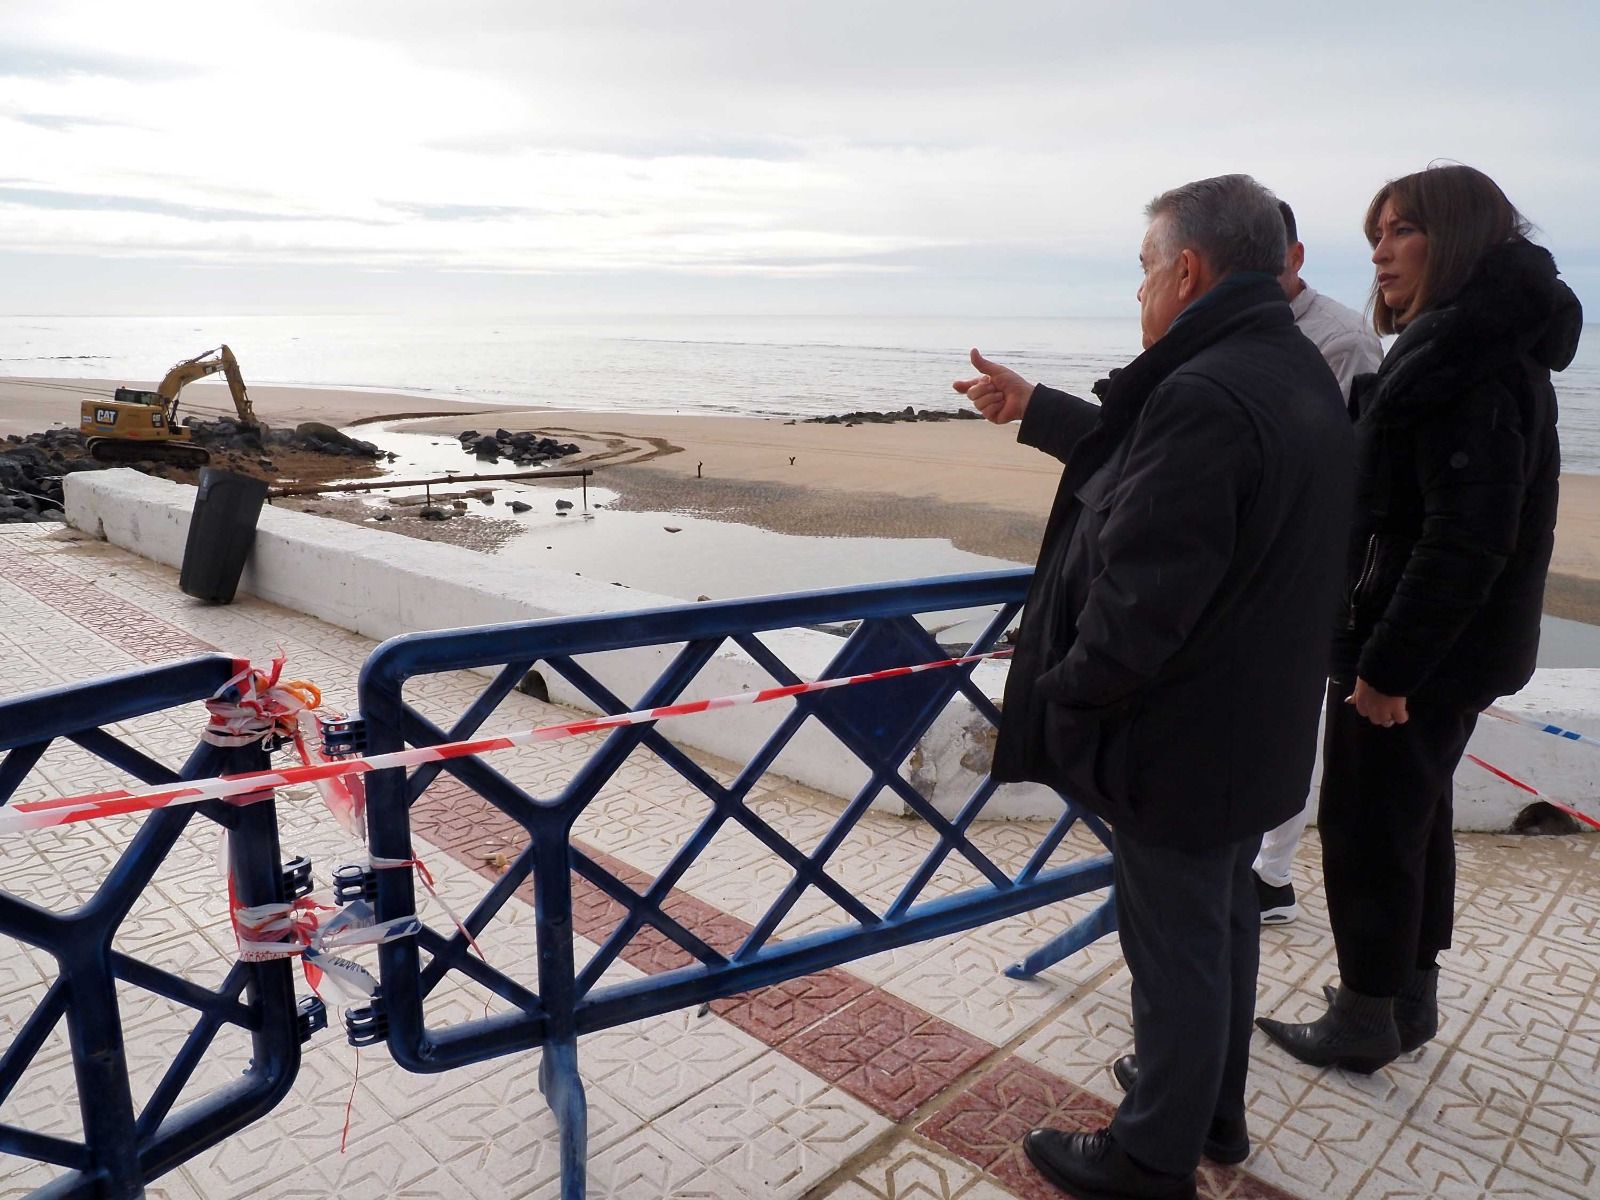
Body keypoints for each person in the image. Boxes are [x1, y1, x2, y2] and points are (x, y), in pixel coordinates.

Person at [955, 174, 1353, 1200]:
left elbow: (1141, 597)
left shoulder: (1205, 391)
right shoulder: (1291, 371)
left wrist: (1063, 690)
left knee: (1174, 950)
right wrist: (1035, 407)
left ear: (1188, 270)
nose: (1137, 293)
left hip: (1181, 738)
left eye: (1142, 271)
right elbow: (1151, 468)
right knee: (1218, 929)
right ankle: (1209, 1113)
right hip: (1254, 723)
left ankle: (1149, 1158)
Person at [1256, 164, 1581, 1074]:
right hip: (1447, 650)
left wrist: (1388, 668)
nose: (1382, 252)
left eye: (1402, 231)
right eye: (1376, 235)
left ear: (1458, 238)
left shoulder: (1463, 359)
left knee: (1367, 829)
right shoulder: (1478, 343)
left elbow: (1464, 538)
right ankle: (1404, 994)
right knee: (1413, 820)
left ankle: (1366, 1016)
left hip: (1412, 653)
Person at [1253, 200, 1385, 925]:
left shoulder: (1343, 342)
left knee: (1294, 722)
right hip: (1256, 566)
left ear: (1295, 258)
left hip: (1313, 572)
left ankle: (1272, 873)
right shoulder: (1234, 331)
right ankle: (1255, 864)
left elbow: (1341, 475)